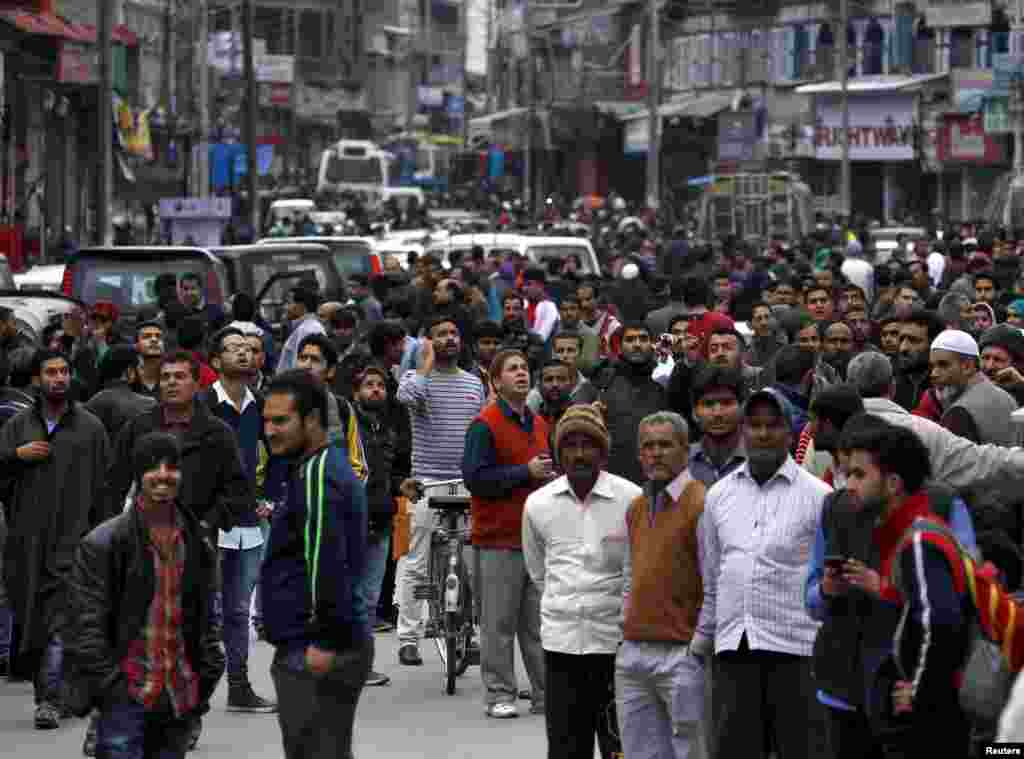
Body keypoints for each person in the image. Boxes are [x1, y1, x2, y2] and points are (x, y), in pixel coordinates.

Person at [803, 415, 976, 759]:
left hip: (910, 696)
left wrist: (883, 588)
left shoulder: (940, 509)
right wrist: (826, 590)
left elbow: (962, 602)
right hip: (843, 691)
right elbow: (810, 602)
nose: (847, 483)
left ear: (892, 479)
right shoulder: (834, 509)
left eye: (858, 474)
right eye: (845, 472)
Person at [65, 432, 225, 759]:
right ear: (138, 475)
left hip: (178, 695)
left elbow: (208, 617)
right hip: (127, 696)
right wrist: (111, 688)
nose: (163, 475)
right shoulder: (104, 543)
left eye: (172, 467)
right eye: (153, 467)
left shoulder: (197, 541)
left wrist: (206, 675)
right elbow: (86, 623)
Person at [699, 387, 831, 759]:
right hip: (734, 648)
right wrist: (705, 638)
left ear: (790, 433)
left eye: (772, 425)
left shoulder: (818, 497)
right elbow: (713, 575)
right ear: (743, 431)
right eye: (754, 425)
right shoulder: (719, 496)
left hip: (796, 649)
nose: (762, 434)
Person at [260, 370, 373, 759]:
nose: (270, 431)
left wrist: (324, 640)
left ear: (310, 420)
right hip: (325, 641)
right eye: (266, 421)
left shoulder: (319, 473)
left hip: (316, 648)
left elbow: (326, 560)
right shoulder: (320, 468)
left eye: (281, 421)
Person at [523, 403, 643, 759]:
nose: (579, 453)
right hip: (561, 645)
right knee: (565, 746)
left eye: (588, 444)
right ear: (559, 452)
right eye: (570, 445)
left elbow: (633, 573)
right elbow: (538, 572)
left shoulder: (630, 499)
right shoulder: (538, 504)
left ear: (602, 451)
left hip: (615, 645)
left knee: (617, 745)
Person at [0, 349, 112, 729]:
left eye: (64, 371)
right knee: (34, 621)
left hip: (75, 541)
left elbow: (105, 488)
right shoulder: (17, 427)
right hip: (27, 544)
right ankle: (53, 691)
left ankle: (50, 699)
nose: (59, 378)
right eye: (51, 372)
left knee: (60, 620)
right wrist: (17, 456)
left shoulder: (91, 428)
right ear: (36, 379)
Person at [616, 411, 710, 759]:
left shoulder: (701, 503)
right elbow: (629, 571)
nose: (656, 453)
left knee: (691, 752)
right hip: (634, 652)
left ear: (685, 450)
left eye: (665, 445)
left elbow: (713, 581)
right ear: (639, 454)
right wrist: (622, 632)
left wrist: (698, 648)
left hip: (681, 653)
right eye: (648, 446)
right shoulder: (637, 507)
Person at [462, 349, 550, 718]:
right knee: (498, 624)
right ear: (496, 382)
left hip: (537, 539)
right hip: (498, 538)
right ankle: (500, 694)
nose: (521, 374)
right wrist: (523, 473)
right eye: (512, 369)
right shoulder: (484, 424)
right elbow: (475, 479)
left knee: (539, 624)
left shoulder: (540, 423)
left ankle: (547, 693)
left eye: (524, 368)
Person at [395, 316, 486, 666]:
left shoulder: (473, 384)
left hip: (466, 483)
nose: (449, 339)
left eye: (454, 333)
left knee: (471, 562)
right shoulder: (417, 380)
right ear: (429, 342)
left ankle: (471, 633)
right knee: (416, 562)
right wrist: (424, 364)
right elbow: (404, 396)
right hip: (425, 482)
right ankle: (408, 637)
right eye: (440, 335)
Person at [202, 328, 277, 712]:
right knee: (200, 609)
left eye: (249, 349)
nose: (244, 354)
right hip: (207, 522)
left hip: (248, 521)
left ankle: (239, 685)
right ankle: (188, 695)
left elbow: (278, 454)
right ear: (216, 361)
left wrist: (272, 500)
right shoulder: (203, 405)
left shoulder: (261, 406)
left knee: (237, 609)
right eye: (233, 349)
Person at [350, 365, 411, 687]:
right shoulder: (349, 427)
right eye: (368, 384)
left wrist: (403, 485)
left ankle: (362, 666)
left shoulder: (387, 429)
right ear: (356, 391)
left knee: (370, 598)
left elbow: (391, 474)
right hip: (353, 520)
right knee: (352, 596)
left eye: (380, 385)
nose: (375, 390)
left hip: (381, 518)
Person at [592, 322, 665, 485]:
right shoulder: (602, 384)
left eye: (643, 339)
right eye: (630, 340)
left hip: (656, 479)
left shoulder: (664, 383)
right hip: (613, 480)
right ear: (621, 346)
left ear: (652, 344)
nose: (637, 344)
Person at [929, 329, 1018, 445]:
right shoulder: (1007, 398)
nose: (933, 373)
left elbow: (955, 461)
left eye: (943, 365)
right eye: (932, 366)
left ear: (967, 366)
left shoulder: (960, 412)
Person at [688, 365, 748, 488]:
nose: (717, 413)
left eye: (726, 403)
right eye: (708, 404)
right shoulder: (681, 462)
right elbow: (671, 504)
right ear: (694, 413)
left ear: (742, 408)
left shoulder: (761, 460)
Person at [86, 345, 158, 442]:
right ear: (130, 372)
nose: (142, 373)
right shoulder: (149, 405)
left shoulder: (91, 404)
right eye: (141, 368)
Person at [277, 286, 326, 373]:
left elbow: (307, 367)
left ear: (301, 306)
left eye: (288, 303)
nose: (285, 307)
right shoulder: (304, 327)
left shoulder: (310, 329)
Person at [132, 321, 166, 399]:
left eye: (158, 336)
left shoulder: (171, 375)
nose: (154, 339)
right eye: (146, 336)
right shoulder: (129, 376)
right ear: (136, 345)